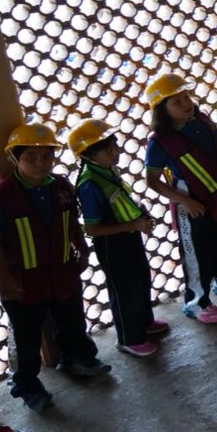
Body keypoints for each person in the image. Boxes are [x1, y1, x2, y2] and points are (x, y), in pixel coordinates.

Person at [0, 123, 107, 410]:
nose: (40, 163)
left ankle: (77, 359)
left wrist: (82, 250)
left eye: (47, 156)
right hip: (23, 279)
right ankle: (27, 386)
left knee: (72, 319)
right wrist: (5, 280)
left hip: (62, 270)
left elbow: (72, 222)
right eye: (31, 157)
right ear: (15, 158)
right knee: (26, 336)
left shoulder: (61, 186)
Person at [145, 73, 217, 321]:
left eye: (186, 97)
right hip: (190, 205)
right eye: (177, 102)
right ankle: (197, 302)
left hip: (215, 196)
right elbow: (153, 181)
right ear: (162, 110)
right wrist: (185, 201)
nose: (186, 104)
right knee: (196, 255)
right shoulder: (159, 141)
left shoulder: (202, 121)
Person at [68, 118, 167, 359]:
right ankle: (129, 338)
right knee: (124, 289)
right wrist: (133, 224)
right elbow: (93, 229)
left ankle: (144, 322)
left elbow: (121, 200)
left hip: (129, 235)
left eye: (115, 145)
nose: (115, 151)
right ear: (88, 155)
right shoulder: (89, 184)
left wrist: (140, 211)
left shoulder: (107, 170)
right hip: (112, 243)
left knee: (141, 279)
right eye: (107, 149)